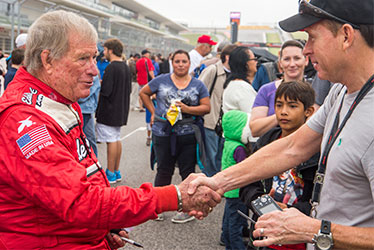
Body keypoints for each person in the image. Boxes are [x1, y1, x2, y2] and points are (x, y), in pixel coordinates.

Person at [0, 10, 220, 249]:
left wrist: (103, 226)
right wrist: (174, 197)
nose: (94, 70)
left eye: (94, 57)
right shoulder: (23, 119)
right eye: (83, 58)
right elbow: (81, 202)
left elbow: (73, 188)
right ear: (48, 60)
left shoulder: (56, 98)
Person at [188, 0, 374, 249]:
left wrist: (316, 229)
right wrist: (219, 182)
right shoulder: (341, 91)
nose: (306, 49)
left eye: (311, 37)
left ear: (346, 36)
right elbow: (293, 147)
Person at [240, 80, 319, 250]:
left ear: (309, 111)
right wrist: (260, 201)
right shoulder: (266, 140)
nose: (283, 112)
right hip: (264, 231)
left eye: (292, 106)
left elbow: (321, 197)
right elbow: (247, 182)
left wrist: (293, 210)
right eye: (279, 105)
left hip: (300, 237)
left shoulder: (316, 149)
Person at [139, 49, 211, 223]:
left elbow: (206, 107)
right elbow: (144, 92)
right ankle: (158, 207)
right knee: (164, 169)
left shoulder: (197, 84)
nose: (180, 64)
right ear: (172, 63)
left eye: (184, 61)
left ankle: (187, 209)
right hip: (162, 132)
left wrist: (188, 110)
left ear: (189, 63)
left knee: (187, 172)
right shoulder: (161, 80)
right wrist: (154, 111)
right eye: (177, 61)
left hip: (187, 134)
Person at [250, 40, 309, 137]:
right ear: (280, 62)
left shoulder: (315, 90)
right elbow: (255, 129)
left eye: (297, 58)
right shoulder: (266, 90)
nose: (292, 64)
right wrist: (283, 116)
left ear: (306, 60)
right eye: (287, 59)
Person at [95, 38, 131, 184]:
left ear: (110, 50)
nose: (104, 52)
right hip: (121, 108)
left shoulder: (111, 67)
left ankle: (109, 172)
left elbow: (107, 91)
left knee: (110, 140)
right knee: (116, 138)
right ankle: (116, 170)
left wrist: (99, 84)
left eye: (105, 50)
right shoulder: (125, 66)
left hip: (109, 110)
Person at [198, 44, 237, 177]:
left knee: (221, 158)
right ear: (227, 57)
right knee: (210, 158)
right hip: (210, 122)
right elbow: (198, 91)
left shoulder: (236, 75)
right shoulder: (212, 71)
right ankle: (208, 188)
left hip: (226, 125)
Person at [221, 110, 253, 250]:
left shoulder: (228, 143)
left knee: (228, 219)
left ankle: (227, 242)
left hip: (229, 190)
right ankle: (237, 247)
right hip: (238, 191)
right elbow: (245, 167)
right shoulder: (239, 148)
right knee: (236, 223)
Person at [78, 74, 101, 156]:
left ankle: (94, 163)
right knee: (87, 139)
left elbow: (82, 97)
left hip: (85, 110)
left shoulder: (93, 77)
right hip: (84, 110)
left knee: (88, 139)